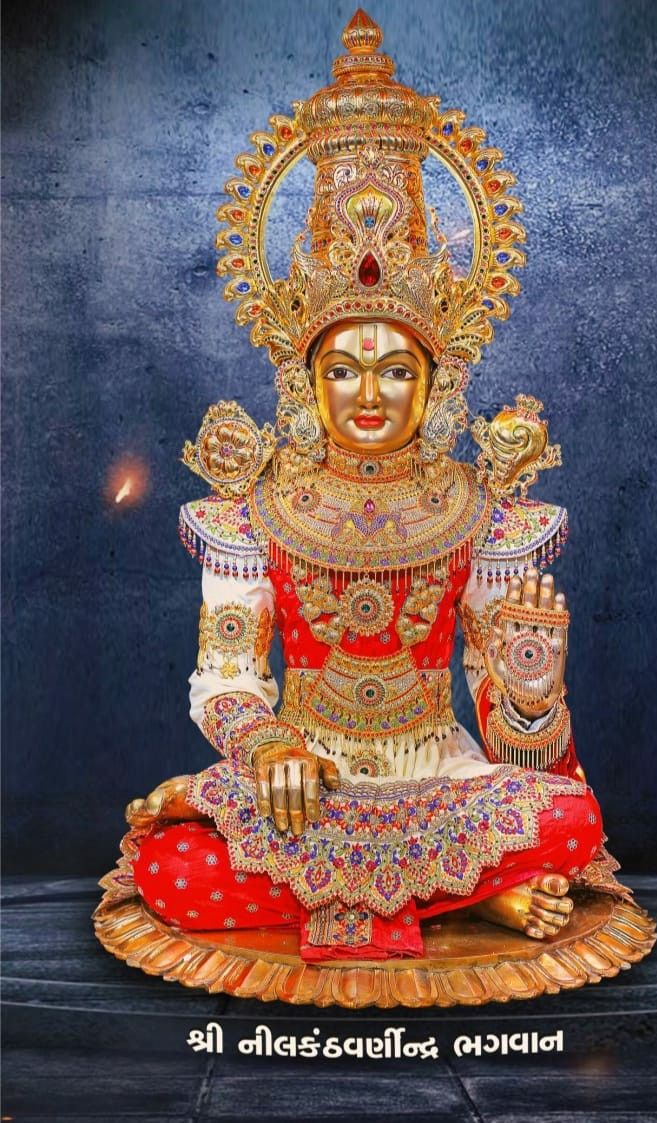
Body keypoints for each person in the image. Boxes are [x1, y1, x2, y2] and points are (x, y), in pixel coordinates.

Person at [107, 10, 628, 965]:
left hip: (441, 780)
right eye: (343, 367)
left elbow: (517, 740)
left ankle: (433, 895)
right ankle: (469, 904)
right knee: (174, 866)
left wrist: (528, 696)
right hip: (306, 784)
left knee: (571, 821)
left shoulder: (483, 511)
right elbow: (226, 676)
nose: (370, 392)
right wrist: (268, 749)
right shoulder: (251, 513)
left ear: (437, 383)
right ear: (304, 382)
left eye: (397, 369)